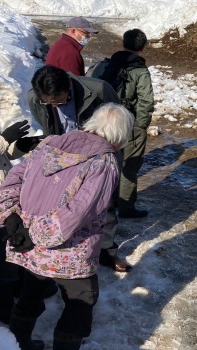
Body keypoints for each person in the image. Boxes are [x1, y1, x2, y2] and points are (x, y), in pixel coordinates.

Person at [1, 103, 134, 350]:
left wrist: (14, 219)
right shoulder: (103, 162)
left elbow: (14, 178)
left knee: (30, 292)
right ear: (121, 135)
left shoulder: (52, 143)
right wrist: (38, 233)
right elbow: (79, 212)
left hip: (29, 246)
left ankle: (17, 345)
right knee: (81, 300)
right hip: (69, 252)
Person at [27, 65, 132, 272]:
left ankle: (107, 251)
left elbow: (118, 120)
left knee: (105, 202)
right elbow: (47, 124)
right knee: (65, 200)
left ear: (69, 85)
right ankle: (69, 244)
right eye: (50, 103)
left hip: (98, 153)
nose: (55, 105)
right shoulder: (36, 97)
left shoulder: (99, 90)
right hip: (66, 155)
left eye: (61, 101)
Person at [102, 29, 154, 219]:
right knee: (129, 166)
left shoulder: (108, 64)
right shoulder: (140, 70)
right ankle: (126, 207)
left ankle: (108, 201)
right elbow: (146, 101)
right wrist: (140, 125)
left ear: (123, 43)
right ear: (143, 46)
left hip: (108, 122)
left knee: (110, 162)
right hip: (130, 123)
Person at [0, 120, 41, 325]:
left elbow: (2, 157)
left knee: (10, 259)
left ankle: (15, 294)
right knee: (3, 272)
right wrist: (3, 139)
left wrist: (20, 147)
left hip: (4, 207)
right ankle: (7, 324)